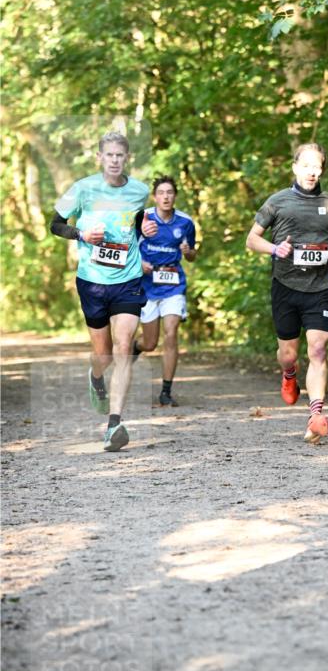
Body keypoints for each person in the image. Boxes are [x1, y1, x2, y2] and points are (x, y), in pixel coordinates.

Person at [50, 131, 158, 452]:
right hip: (93, 281)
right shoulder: (83, 189)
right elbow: (55, 224)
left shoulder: (139, 190)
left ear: (127, 159)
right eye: (108, 155)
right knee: (105, 355)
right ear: (99, 158)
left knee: (125, 345)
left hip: (128, 279)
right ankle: (96, 376)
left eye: (119, 156)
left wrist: (146, 229)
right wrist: (81, 233)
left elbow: (137, 222)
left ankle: (114, 424)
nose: (114, 160)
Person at [246, 142, 328, 443]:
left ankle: (316, 414)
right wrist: (275, 248)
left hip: (319, 289)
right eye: (306, 165)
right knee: (288, 354)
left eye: (317, 166)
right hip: (286, 287)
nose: (312, 171)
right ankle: (289, 374)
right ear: (294, 167)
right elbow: (252, 239)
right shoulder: (277, 202)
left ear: (322, 169)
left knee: (318, 348)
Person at [132, 176, 197, 406]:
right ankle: (135, 348)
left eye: (170, 192)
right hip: (147, 285)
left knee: (171, 332)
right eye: (161, 192)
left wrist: (188, 251)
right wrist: (139, 263)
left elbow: (192, 255)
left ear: (175, 196)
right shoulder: (144, 218)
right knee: (150, 343)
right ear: (155, 196)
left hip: (173, 284)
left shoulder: (185, 222)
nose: (166, 197)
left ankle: (166, 391)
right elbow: (128, 247)